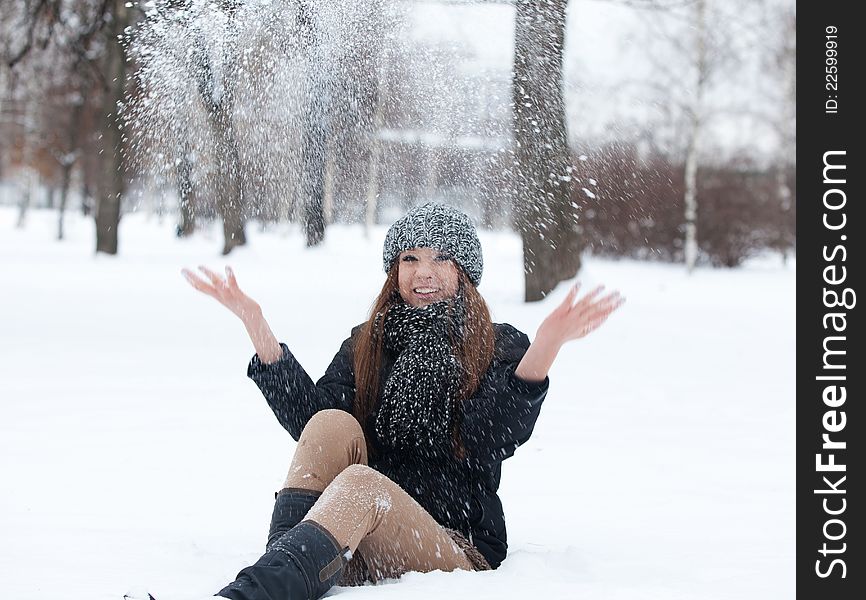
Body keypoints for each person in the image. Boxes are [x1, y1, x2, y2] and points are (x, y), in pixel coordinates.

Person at [178, 202, 623, 600]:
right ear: (394, 271)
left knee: (362, 485)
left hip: (454, 544)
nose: (423, 272)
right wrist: (257, 327)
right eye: (410, 258)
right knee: (333, 425)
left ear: (464, 271)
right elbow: (313, 426)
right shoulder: (367, 343)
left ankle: (254, 594)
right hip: (362, 528)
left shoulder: (495, 343)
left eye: (440, 258)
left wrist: (545, 348)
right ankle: (285, 569)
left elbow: (495, 432)